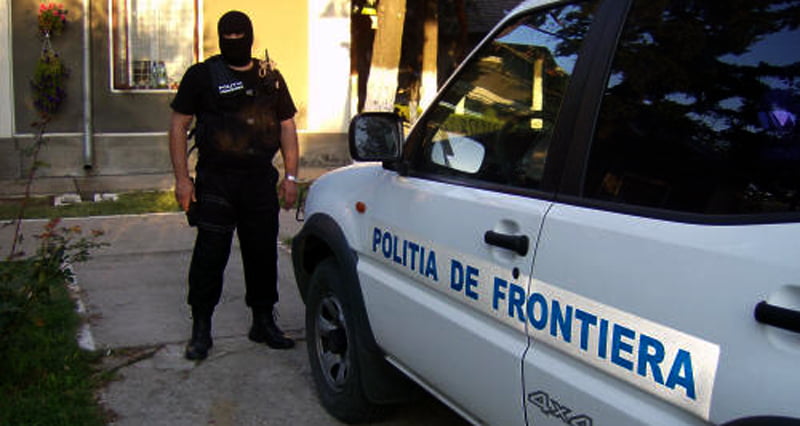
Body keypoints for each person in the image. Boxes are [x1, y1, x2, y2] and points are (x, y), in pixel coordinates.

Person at [168, 10, 299, 360]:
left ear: (251, 37)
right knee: (210, 255)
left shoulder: (269, 77)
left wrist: (291, 177)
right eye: (229, 37)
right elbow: (179, 125)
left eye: (241, 36)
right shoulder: (201, 76)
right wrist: (183, 180)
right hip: (217, 182)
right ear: (221, 37)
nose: (235, 42)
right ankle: (201, 328)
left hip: (259, 182)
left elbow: (287, 125)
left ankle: (263, 321)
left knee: (263, 254)